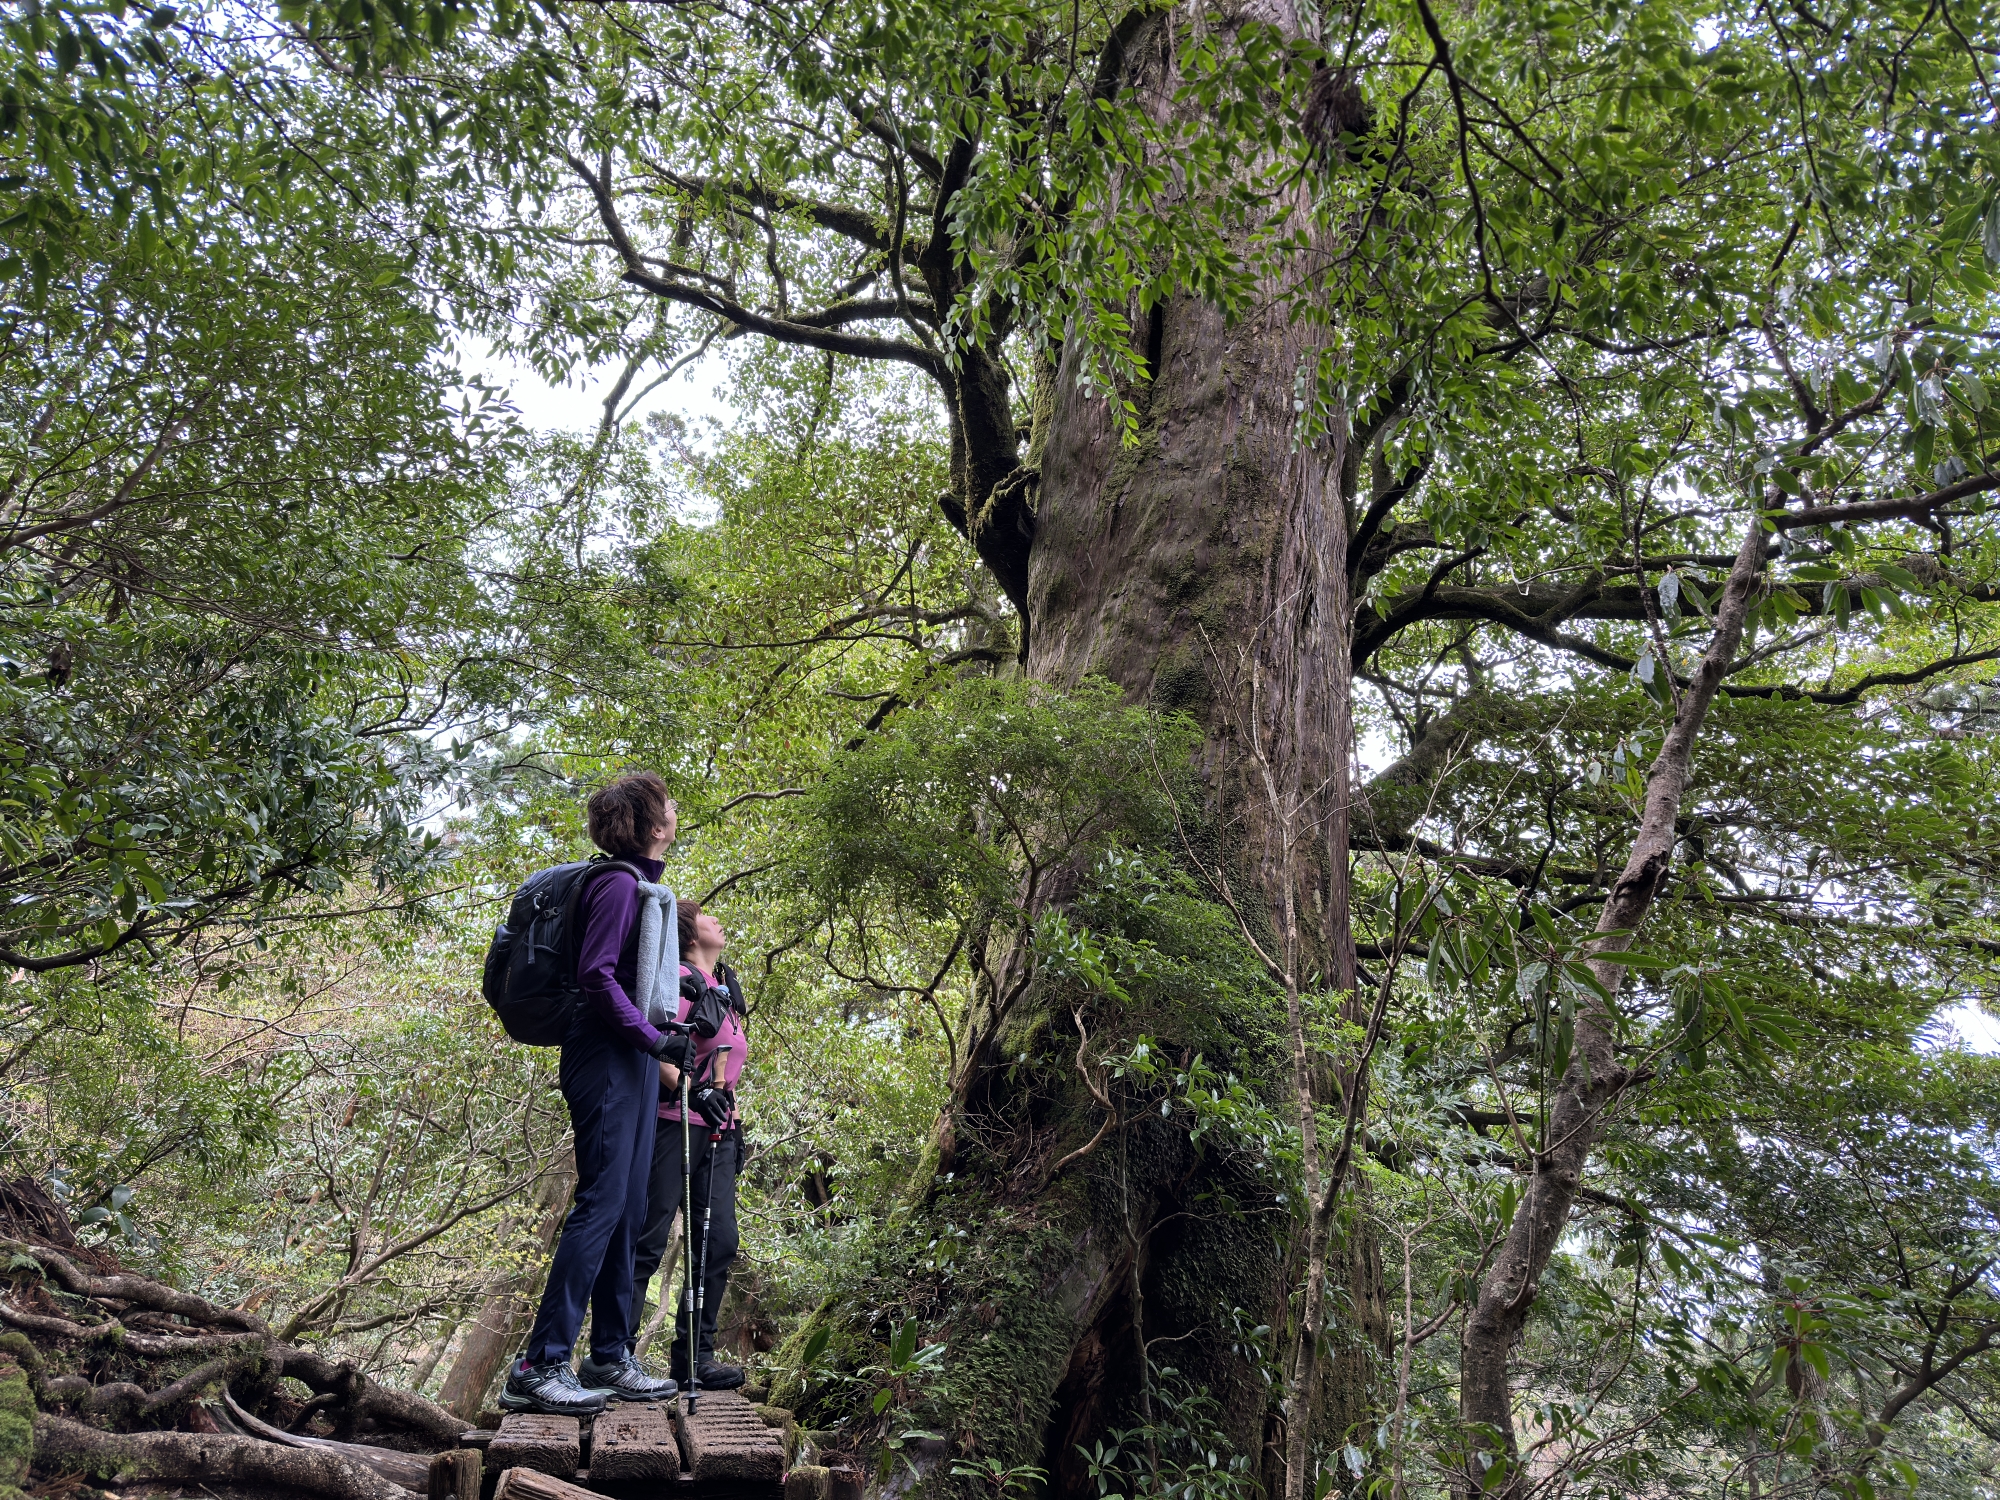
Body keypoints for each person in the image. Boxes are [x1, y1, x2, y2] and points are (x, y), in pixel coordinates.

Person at [502, 773, 688, 1416]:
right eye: (665, 806)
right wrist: (651, 1038)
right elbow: (595, 974)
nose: (673, 812)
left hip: (631, 1053)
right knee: (603, 1201)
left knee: (631, 1207)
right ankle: (540, 1364)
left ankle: (610, 1354)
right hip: (604, 1051)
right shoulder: (615, 884)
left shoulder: (645, 888)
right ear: (650, 825)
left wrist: (662, 1036)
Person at [630, 898, 749, 1390]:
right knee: (648, 1241)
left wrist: (731, 1110)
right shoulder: (679, 981)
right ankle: (614, 1355)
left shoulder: (723, 989)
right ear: (688, 932)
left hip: (718, 1129)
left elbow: (725, 1064)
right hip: (672, 1122)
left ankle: (694, 1357)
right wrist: (689, 1088)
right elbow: (655, 1047)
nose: (717, 918)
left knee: (718, 1240)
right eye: (706, 915)